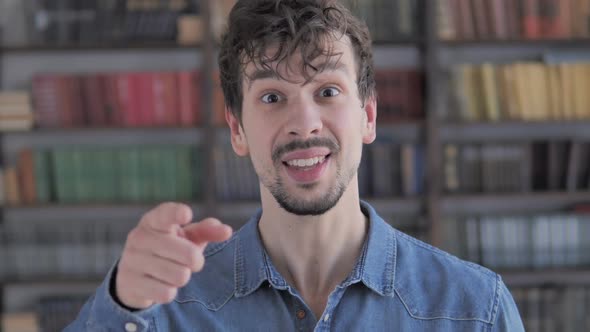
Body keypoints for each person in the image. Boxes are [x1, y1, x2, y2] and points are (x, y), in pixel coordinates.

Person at [66, 0, 525, 330]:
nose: (304, 125)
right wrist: (123, 301)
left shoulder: (476, 309)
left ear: (368, 115)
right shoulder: (159, 309)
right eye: (271, 97)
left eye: (327, 91)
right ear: (237, 130)